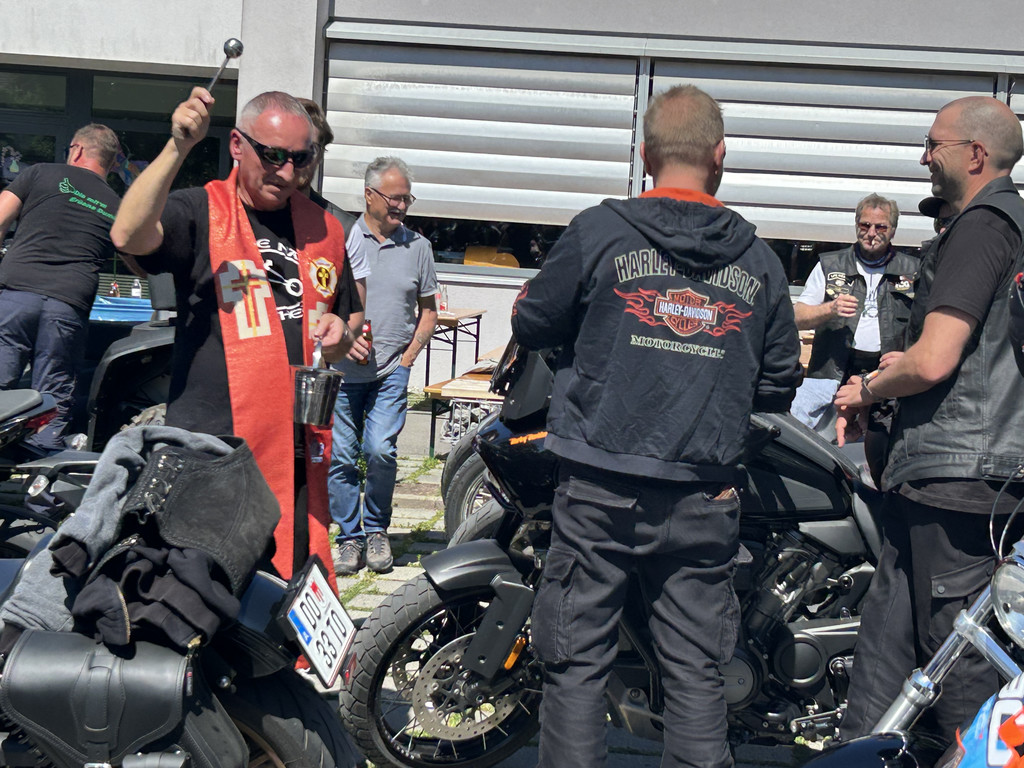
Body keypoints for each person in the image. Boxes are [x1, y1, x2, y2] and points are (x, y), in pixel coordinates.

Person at [510, 84, 802, 768]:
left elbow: (533, 322)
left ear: (646, 154)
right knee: (695, 672)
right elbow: (778, 383)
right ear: (720, 154)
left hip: (598, 487)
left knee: (576, 662)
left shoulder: (599, 232)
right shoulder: (759, 261)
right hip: (704, 493)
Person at [110, 88, 362, 583]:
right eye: (272, 155)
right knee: (205, 595)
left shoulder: (325, 229)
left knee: (284, 589)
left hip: (296, 454)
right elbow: (128, 235)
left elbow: (346, 318)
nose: (285, 171)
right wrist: (178, 147)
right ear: (237, 145)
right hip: (213, 451)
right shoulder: (202, 210)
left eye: (300, 159)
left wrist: (339, 335)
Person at [835, 96, 1024, 744]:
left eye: (933, 144)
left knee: (957, 673)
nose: (923, 157)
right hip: (940, 479)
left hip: (959, 482)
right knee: (885, 664)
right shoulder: (1001, 227)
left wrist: (867, 387)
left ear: (976, 154)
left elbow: (937, 358)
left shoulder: (985, 224)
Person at [328, 157, 438, 575]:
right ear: (369, 195)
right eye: (395, 198)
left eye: (407, 199)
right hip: (341, 372)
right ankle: (349, 539)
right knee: (341, 456)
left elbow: (429, 311)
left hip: (391, 370)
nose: (401, 206)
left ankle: (376, 530)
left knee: (380, 451)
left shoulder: (419, 247)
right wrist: (342, 338)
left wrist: (408, 359)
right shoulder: (340, 240)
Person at [0, 124, 122, 453]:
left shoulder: (40, 173)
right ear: (111, 164)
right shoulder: (116, 204)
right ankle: (40, 477)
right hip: (68, 304)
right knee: (52, 396)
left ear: (77, 150)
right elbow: (137, 256)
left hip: (16, 294)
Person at [789, 194, 918, 432]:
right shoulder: (830, 265)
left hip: (886, 376)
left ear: (893, 230)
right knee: (818, 439)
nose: (871, 233)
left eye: (881, 227)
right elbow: (796, 317)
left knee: (878, 442)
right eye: (865, 225)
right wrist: (830, 309)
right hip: (831, 373)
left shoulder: (913, 271)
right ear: (856, 225)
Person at [295, 97, 371, 310]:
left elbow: (354, 316)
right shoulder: (241, 215)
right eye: (292, 147)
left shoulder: (343, 228)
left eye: (311, 149)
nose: (300, 158)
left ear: (320, 155)